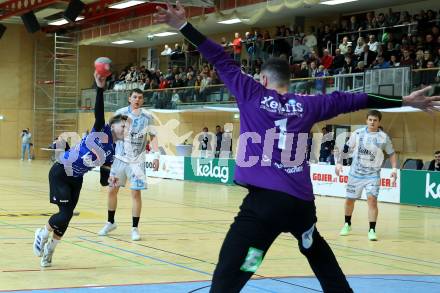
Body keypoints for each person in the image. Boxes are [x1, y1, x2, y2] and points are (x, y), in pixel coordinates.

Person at [154, 2, 440, 292]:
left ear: (263, 79)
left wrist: (182, 26)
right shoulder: (310, 104)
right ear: (288, 82)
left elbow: (218, 57)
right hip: (301, 204)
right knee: (315, 250)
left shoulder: (251, 92)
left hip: (266, 203)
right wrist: (404, 101)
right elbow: (361, 99)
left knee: (234, 266)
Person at [33, 72, 128, 267]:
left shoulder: (113, 150)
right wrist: (100, 88)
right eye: (124, 126)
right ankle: (42, 232)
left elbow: (103, 179)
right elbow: (99, 111)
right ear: (114, 125)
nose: (127, 130)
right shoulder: (102, 129)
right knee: (65, 214)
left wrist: (111, 179)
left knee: (66, 219)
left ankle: (49, 251)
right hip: (62, 171)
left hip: (77, 179)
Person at [98, 88, 160, 241]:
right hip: (119, 160)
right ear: (129, 99)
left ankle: (134, 228)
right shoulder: (119, 114)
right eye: (134, 97)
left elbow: (153, 137)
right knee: (112, 191)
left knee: (135, 193)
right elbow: (109, 132)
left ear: (142, 100)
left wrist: (156, 155)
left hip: (137, 162)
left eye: (140, 97)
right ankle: (110, 222)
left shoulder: (147, 117)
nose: (137, 100)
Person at [336, 110, 398, 241]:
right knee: (349, 200)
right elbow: (346, 148)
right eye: (370, 119)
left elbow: (392, 153)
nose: (372, 122)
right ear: (366, 120)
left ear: (379, 122)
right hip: (355, 174)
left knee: (372, 201)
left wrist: (394, 169)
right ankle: (347, 224)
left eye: (375, 120)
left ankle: (372, 229)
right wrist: (339, 163)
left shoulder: (383, 137)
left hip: (373, 175)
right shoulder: (357, 133)